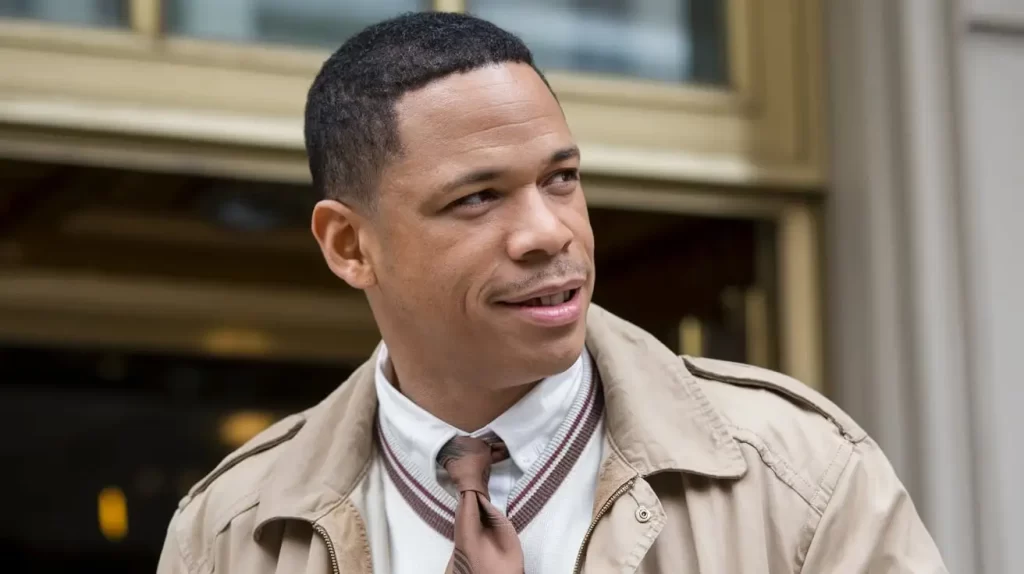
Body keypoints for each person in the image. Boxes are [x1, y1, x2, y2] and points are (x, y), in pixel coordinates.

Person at [157, 11, 947, 574]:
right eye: (477, 197)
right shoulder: (228, 535)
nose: (548, 231)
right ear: (349, 245)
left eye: (560, 179)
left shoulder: (799, 477)